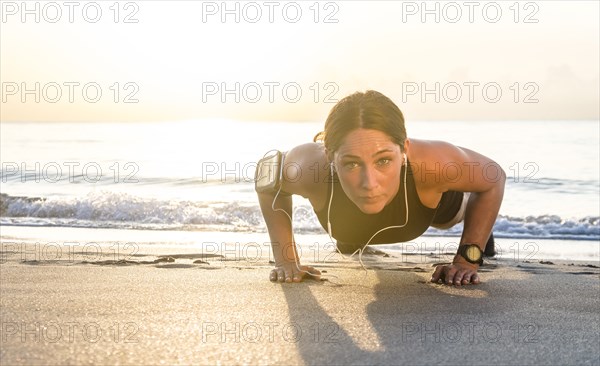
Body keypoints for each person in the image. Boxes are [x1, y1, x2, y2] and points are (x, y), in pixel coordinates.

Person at [256, 90, 505, 286]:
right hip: (350, 225)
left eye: (383, 160)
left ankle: (481, 231)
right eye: (352, 163)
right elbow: (266, 175)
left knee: (454, 214)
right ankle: (353, 237)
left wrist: (467, 260)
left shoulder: (434, 165)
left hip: (437, 208)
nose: (369, 183)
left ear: (404, 150)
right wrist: (286, 260)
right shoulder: (309, 167)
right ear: (330, 155)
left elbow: (494, 178)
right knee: (350, 233)